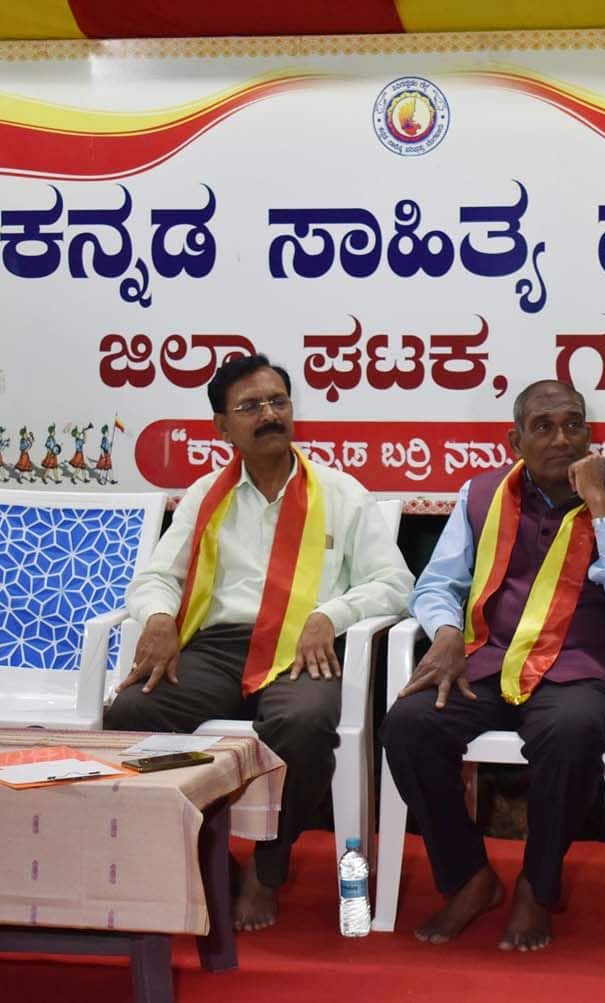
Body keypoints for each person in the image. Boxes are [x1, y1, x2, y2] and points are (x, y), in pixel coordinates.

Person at [107, 353, 413, 931]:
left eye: (278, 402)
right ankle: (205, 855)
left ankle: (268, 869)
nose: (270, 415)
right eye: (250, 407)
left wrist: (332, 613)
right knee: (131, 713)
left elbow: (395, 583)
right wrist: (159, 618)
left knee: (304, 722)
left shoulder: (340, 493)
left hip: (303, 647)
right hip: (218, 648)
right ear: (222, 427)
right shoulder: (206, 495)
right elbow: (157, 577)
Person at [381, 379, 605, 952]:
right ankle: (469, 876)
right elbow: (437, 583)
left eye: (573, 425)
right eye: (544, 427)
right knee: (408, 726)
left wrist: (601, 508)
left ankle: (538, 886)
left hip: (575, 668)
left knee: (572, 732)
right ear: (516, 442)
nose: (562, 439)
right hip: (487, 661)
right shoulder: (482, 495)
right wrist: (445, 631)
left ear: (589, 433)